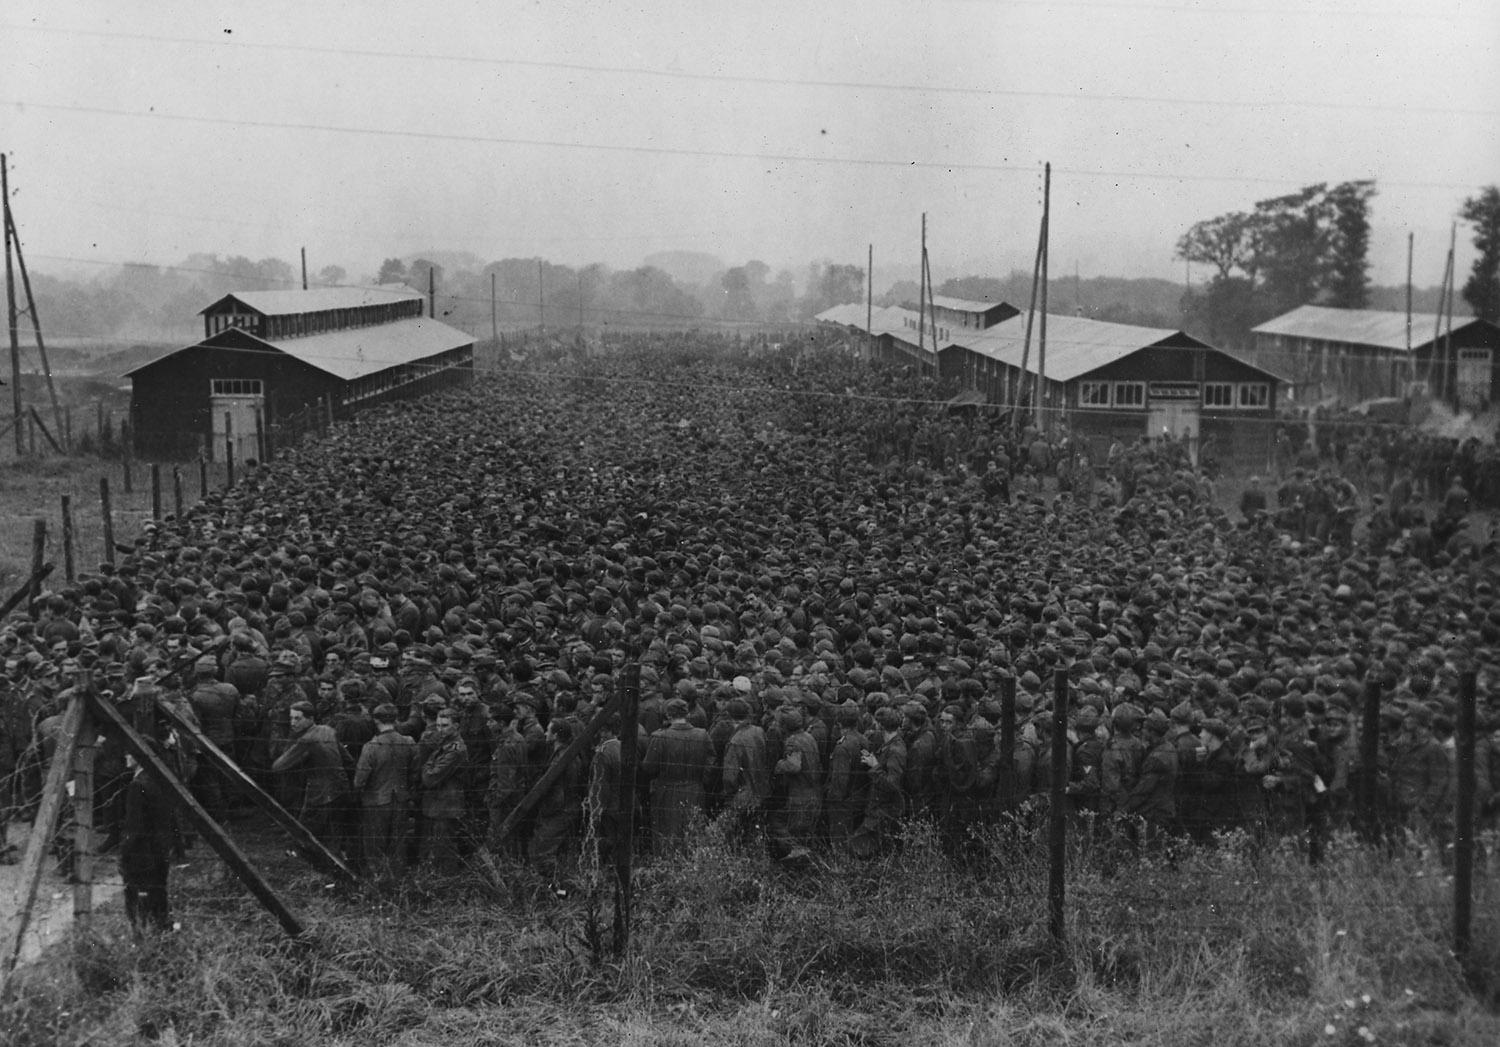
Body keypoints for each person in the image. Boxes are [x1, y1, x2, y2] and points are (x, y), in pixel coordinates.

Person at [351, 702, 417, 878]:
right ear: (396, 719)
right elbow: (415, 772)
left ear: (376, 720)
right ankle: (397, 879)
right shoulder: (408, 742)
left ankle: (379, 879)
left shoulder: (371, 747)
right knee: (398, 844)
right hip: (401, 800)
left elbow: (359, 780)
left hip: (376, 802)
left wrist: (356, 796)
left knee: (375, 845)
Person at [641, 697, 713, 853]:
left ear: (668, 716)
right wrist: (701, 780)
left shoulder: (660, 737)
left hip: (667, 791)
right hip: (695, 789)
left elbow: (649, 767)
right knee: (693, 832)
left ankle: (667, 867)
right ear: (687, 714)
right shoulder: (702, 735)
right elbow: (710, 762)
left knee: (667, 833)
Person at [120, 746, 176, 933]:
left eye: (130, 752)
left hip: (141, 852)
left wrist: (124, 853)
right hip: (160, 848)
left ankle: (141, 933)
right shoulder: (160, 778)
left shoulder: (137, 785)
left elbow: (134, 826)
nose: (126, 754)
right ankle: (161, 929)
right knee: (158, 892)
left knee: (139, 895)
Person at [418, 706, 468, 872]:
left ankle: (448, 883)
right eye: (438, 725)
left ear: (456, 726)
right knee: (437, 848)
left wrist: (426, 766)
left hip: (446, 807)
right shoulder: (444, 744)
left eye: (445, 725)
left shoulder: (455, 750)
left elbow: (430, 778)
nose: (440, 729)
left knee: (445, 849)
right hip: (439, 805)